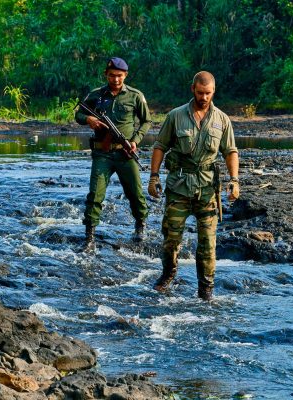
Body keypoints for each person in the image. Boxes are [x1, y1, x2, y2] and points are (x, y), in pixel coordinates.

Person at [147, 71, 240, 300]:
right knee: (171, 239)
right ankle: (168, 273)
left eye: (208, 93)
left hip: (207, 189)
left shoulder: (221, 120)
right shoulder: (176, 116)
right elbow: (160, 146)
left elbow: (230, 151)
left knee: (208, 244)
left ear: (214, 91)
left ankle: (206, 288)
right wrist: (153, 177)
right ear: (193, 89)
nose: (204, 97)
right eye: (200, 93)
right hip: (179, 186)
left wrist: (234, 180)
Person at [75, 57, 152, 251]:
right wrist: (89, 119)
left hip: (125, 153)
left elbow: (146, 121)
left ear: (125, 75)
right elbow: (78, 114)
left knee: (135, 193)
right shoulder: (96, 95)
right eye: (111, 75)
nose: (115, 79)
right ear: (105, 75)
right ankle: (90, 237)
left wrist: (135, 141)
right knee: (95, 195)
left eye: (119, 76)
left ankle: (140, 226)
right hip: (102, 154)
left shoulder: (135, 96)